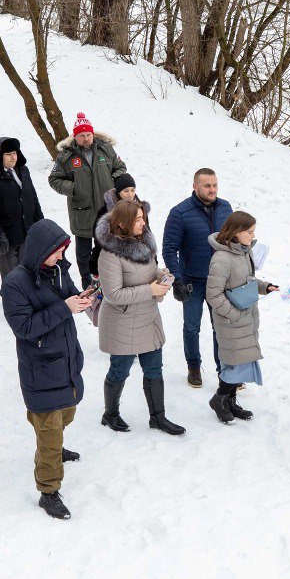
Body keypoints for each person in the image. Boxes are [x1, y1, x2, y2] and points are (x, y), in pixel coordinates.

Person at [1, 220, 91, 520]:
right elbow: (24, 328)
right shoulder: (14, 284)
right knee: (49, 430)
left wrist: (84, 298)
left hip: (66, 361)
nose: (61, 256)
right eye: (57, 251)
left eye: (63, 250)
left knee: (67, 413)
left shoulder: (58, 269)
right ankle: (48, 491)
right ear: (40, 251)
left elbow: (70, 295)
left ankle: (54, 446)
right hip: (40, 370)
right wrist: (65, 308)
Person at [95, 200, 184, 435]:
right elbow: (113, 295)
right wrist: (150, 290)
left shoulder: (143, 243)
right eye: (138, 219)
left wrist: (161, 276)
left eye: (143, 218)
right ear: (123, 223)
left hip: (147, 317)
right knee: (120, 370)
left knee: (154, 370)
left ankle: (158, 418)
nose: (143, 223)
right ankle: (110, 414)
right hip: (122, 322)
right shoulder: (109, 255)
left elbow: (148, 272)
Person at [204, 211, 278, 423]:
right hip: (231, 321)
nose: (253, 236)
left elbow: (248, 280)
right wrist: (234, 315)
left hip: (246, 317)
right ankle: (219, 399)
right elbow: (213, 294)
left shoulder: (245, 252)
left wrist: (264, 286)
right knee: (234, 365)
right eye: (250, 232)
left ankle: (230, 402)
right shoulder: (221, 259)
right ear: (236, 232)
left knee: (238, 362)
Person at [162, 168, 232, 388]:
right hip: (192, 280)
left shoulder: (226, 208)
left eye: (215, 185)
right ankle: (193, 367)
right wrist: (178, 280)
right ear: (195, 186)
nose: (212, 189)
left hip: (219, 280)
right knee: (192, 327)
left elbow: (233, 242)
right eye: (207, 185)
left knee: (221, 327)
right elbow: (169, 250)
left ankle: (225, 370)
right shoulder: (180, 213)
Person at [47, 112, 128, 290]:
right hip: (81, 212)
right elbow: (54, 179)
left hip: (107, 211)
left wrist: (112, 181)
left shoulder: (106, 150)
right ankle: (88, 287)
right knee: (83, 256)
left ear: (93, 134)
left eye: (88, 135)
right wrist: (74, 188)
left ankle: (111, 286)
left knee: (109, 251)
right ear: (75, 137)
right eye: (82, 135)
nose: (86, 139)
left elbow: (121, 168)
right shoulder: (66, 157)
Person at [0, 136, 44, 282]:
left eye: (15, 153)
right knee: (12, 279)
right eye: (8, 154)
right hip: (7, 237)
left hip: (27, 233)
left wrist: (41, 224)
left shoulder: (23, 170)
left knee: (29, 275)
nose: (13, 157)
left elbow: (33, 198)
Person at [87, 173, 146, 281]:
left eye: (133, 190)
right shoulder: (106, 211)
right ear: (119, 192)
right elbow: (99, 239)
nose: (130, 194)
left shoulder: (139, 208)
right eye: (126, 191)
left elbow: (146, 233)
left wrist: (152, 258)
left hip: (136, 259)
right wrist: (96, 265)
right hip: (113, 260)